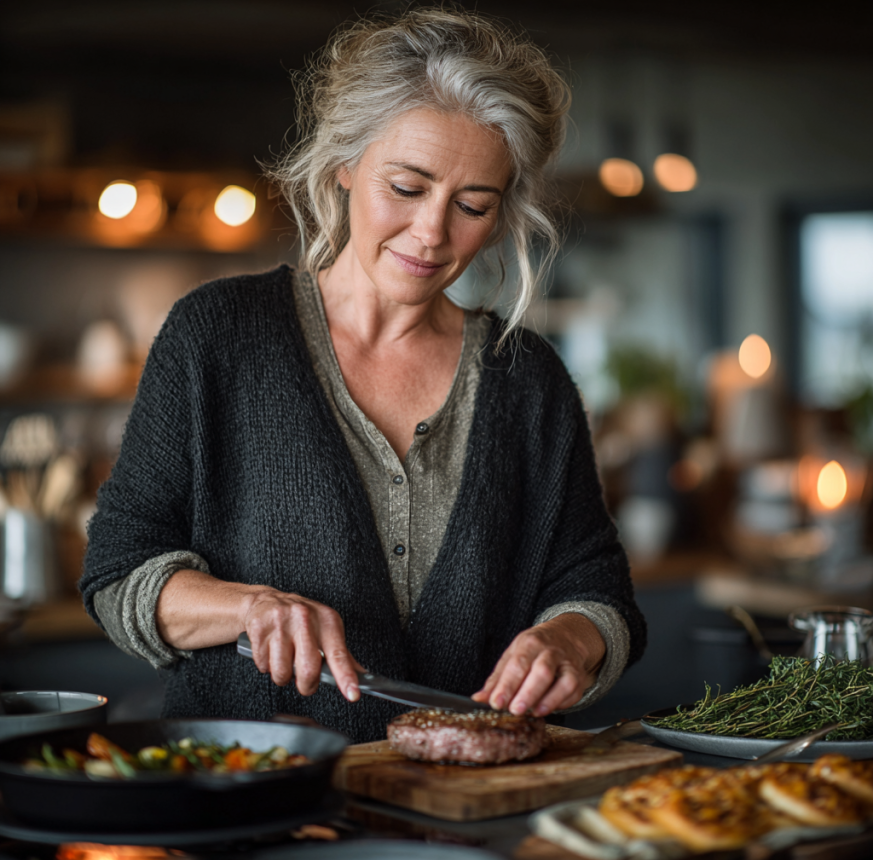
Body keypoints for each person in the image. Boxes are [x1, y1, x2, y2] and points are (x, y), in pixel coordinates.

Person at [79, 6, 646, 744]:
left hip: (467, 815)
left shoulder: (526, 379)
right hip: (250, 795)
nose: (432, 233)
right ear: (344, 163)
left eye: (473, 205)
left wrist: (572, 638)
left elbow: (595, 587)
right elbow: (119, 573)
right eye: (406, 188)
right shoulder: (217, 335)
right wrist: (246, 607)